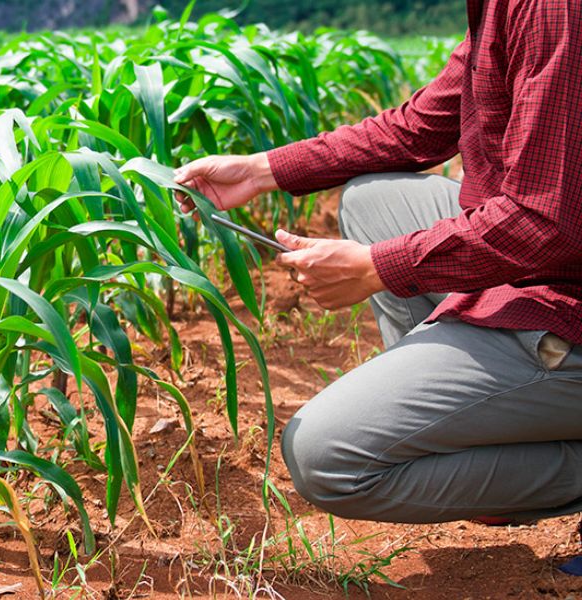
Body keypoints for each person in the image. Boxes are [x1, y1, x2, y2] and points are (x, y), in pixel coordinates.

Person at [174, 0, 582, 525]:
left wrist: (377, 267)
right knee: (372, 201)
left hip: (563, 301)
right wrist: (260, 170)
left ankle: (531, 453)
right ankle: (465, 419)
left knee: (325, 457)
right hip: (543, 262)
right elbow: (417, 127)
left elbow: (540, 221)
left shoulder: (551, 10)